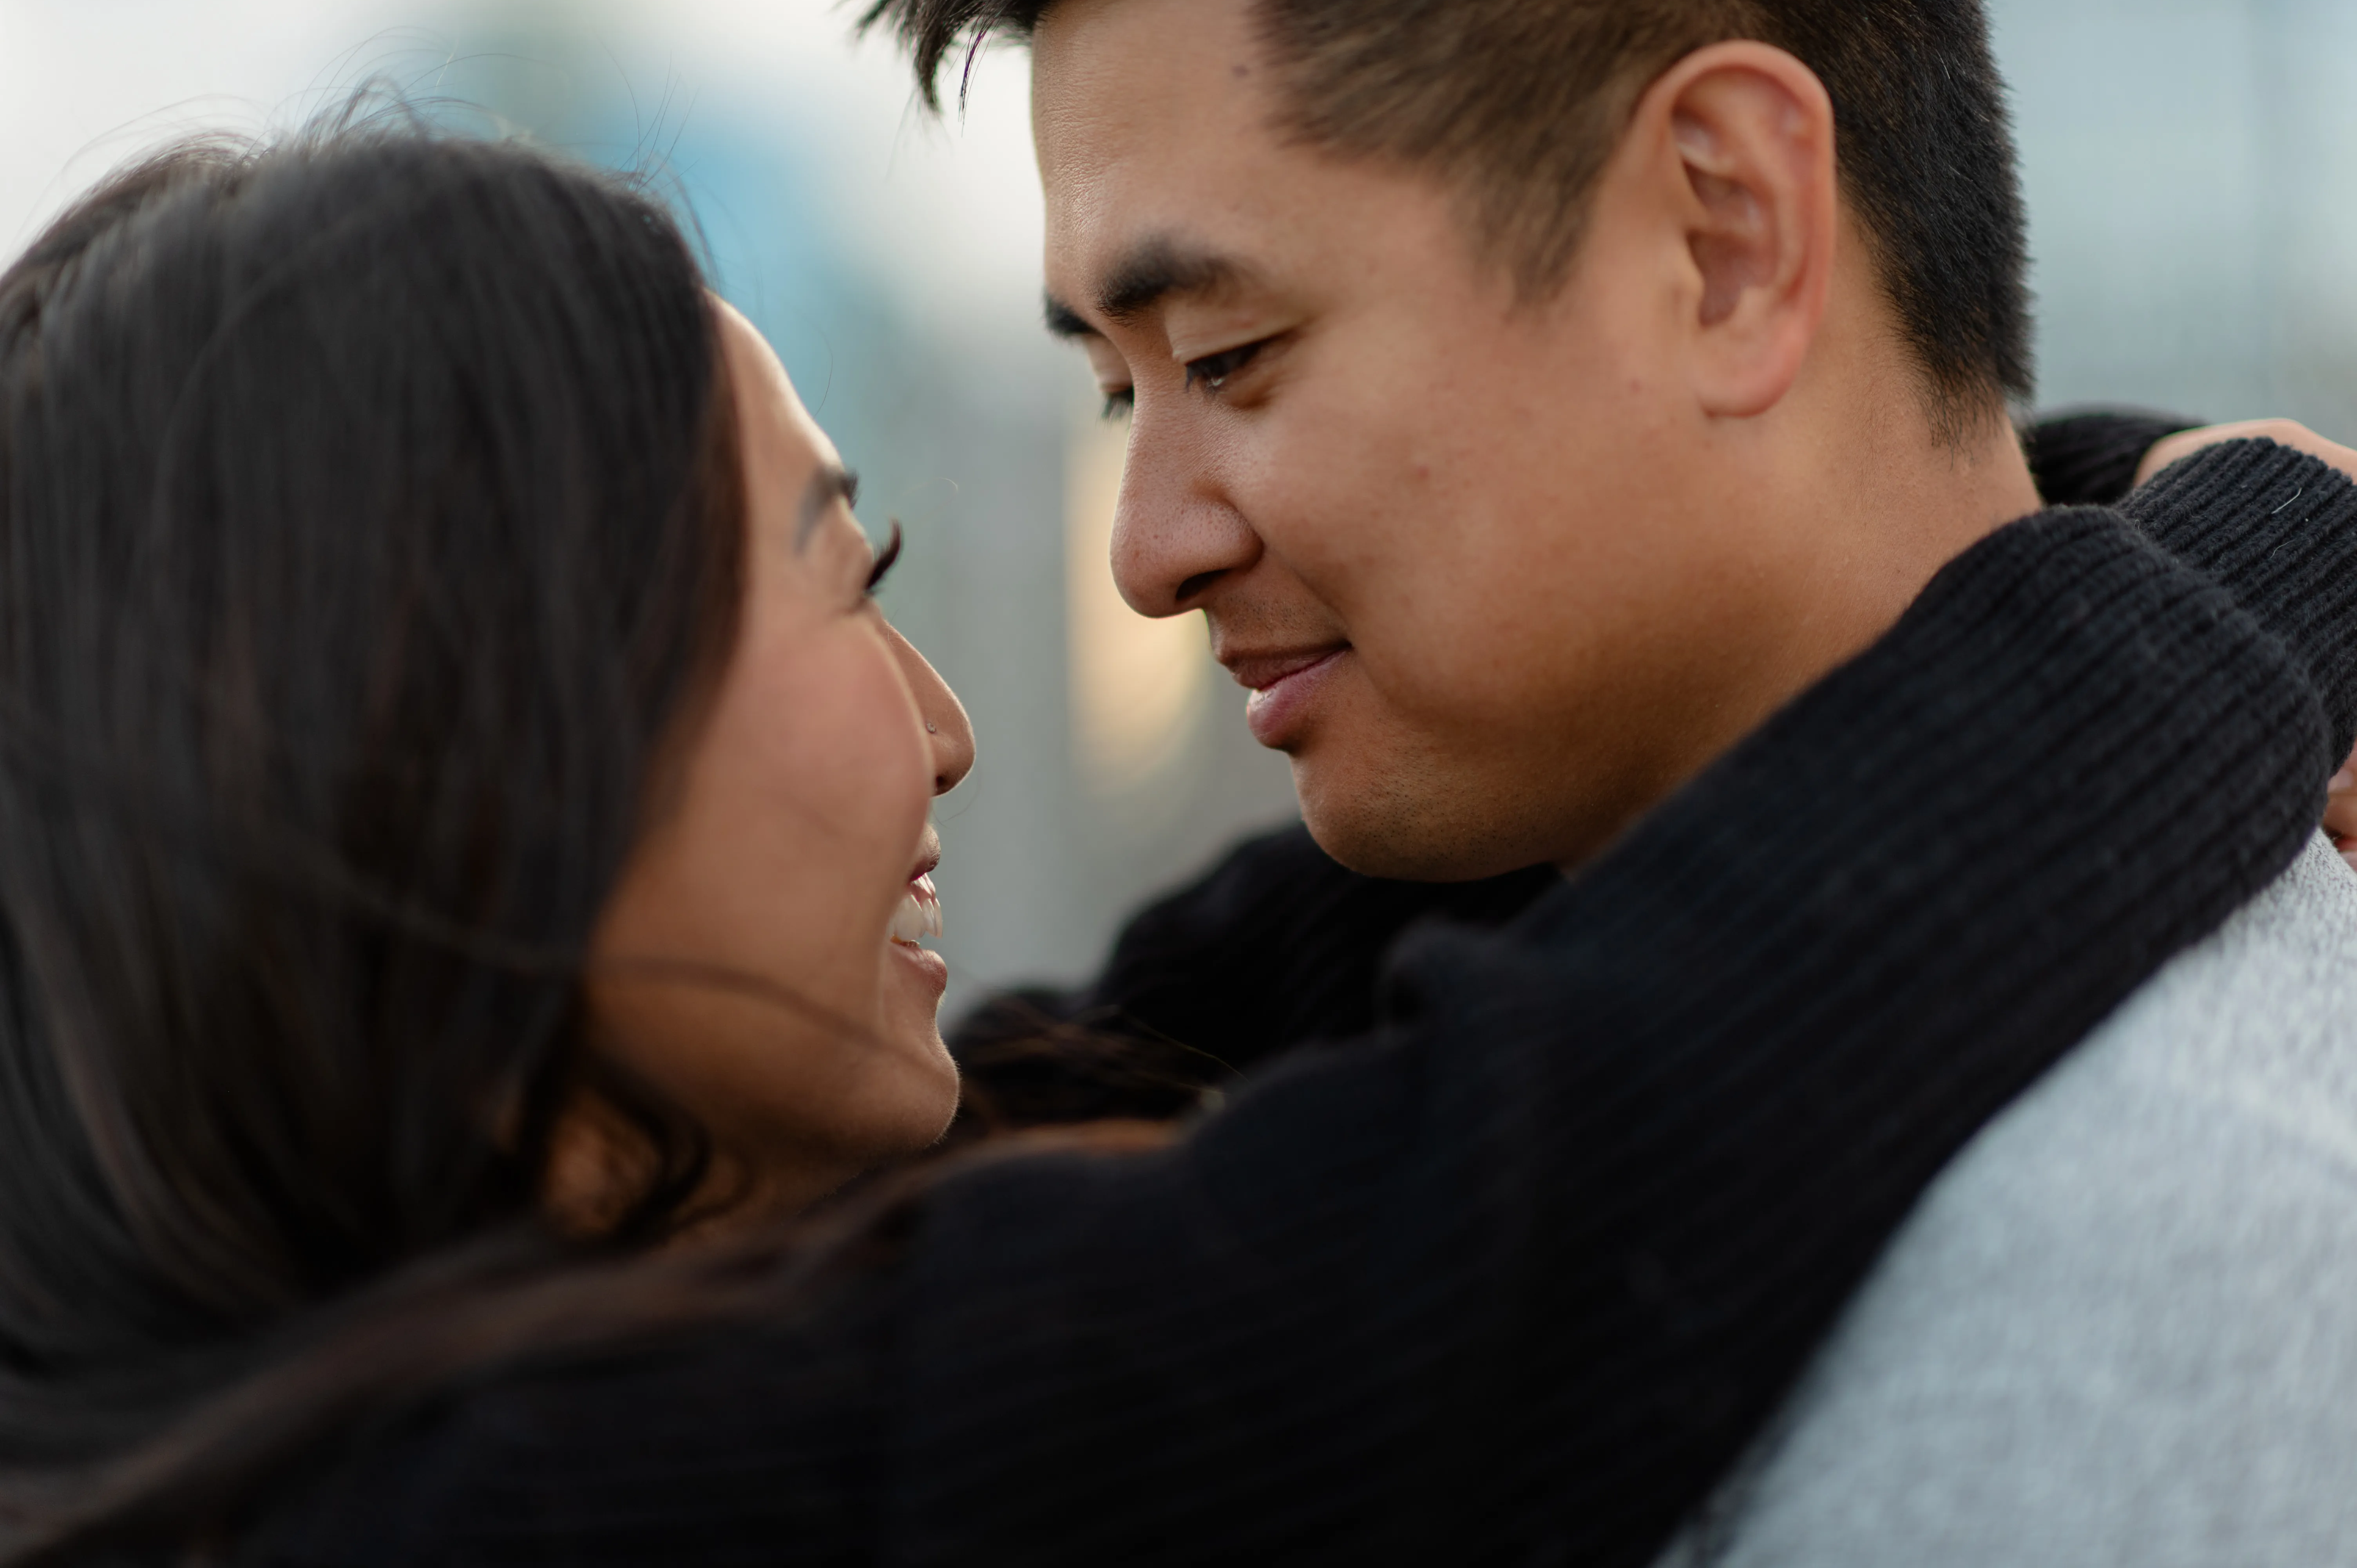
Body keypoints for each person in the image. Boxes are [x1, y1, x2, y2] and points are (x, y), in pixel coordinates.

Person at [2, 116, 2356, 1568]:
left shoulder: (499, 1341)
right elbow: (1571, 1151)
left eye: (1234, 360)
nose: (948, 731)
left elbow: (1290, 967)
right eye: (842, 571)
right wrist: (2266, 572)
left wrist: (2065, 513)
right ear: (480, 744)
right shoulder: (487, 1521)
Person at [857, 0, 2357, 1556]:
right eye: (1120, 392)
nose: (1145, 555)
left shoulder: (2129, 1296)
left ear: (1725, 235)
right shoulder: (1432, 1038)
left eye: (1229, 359)